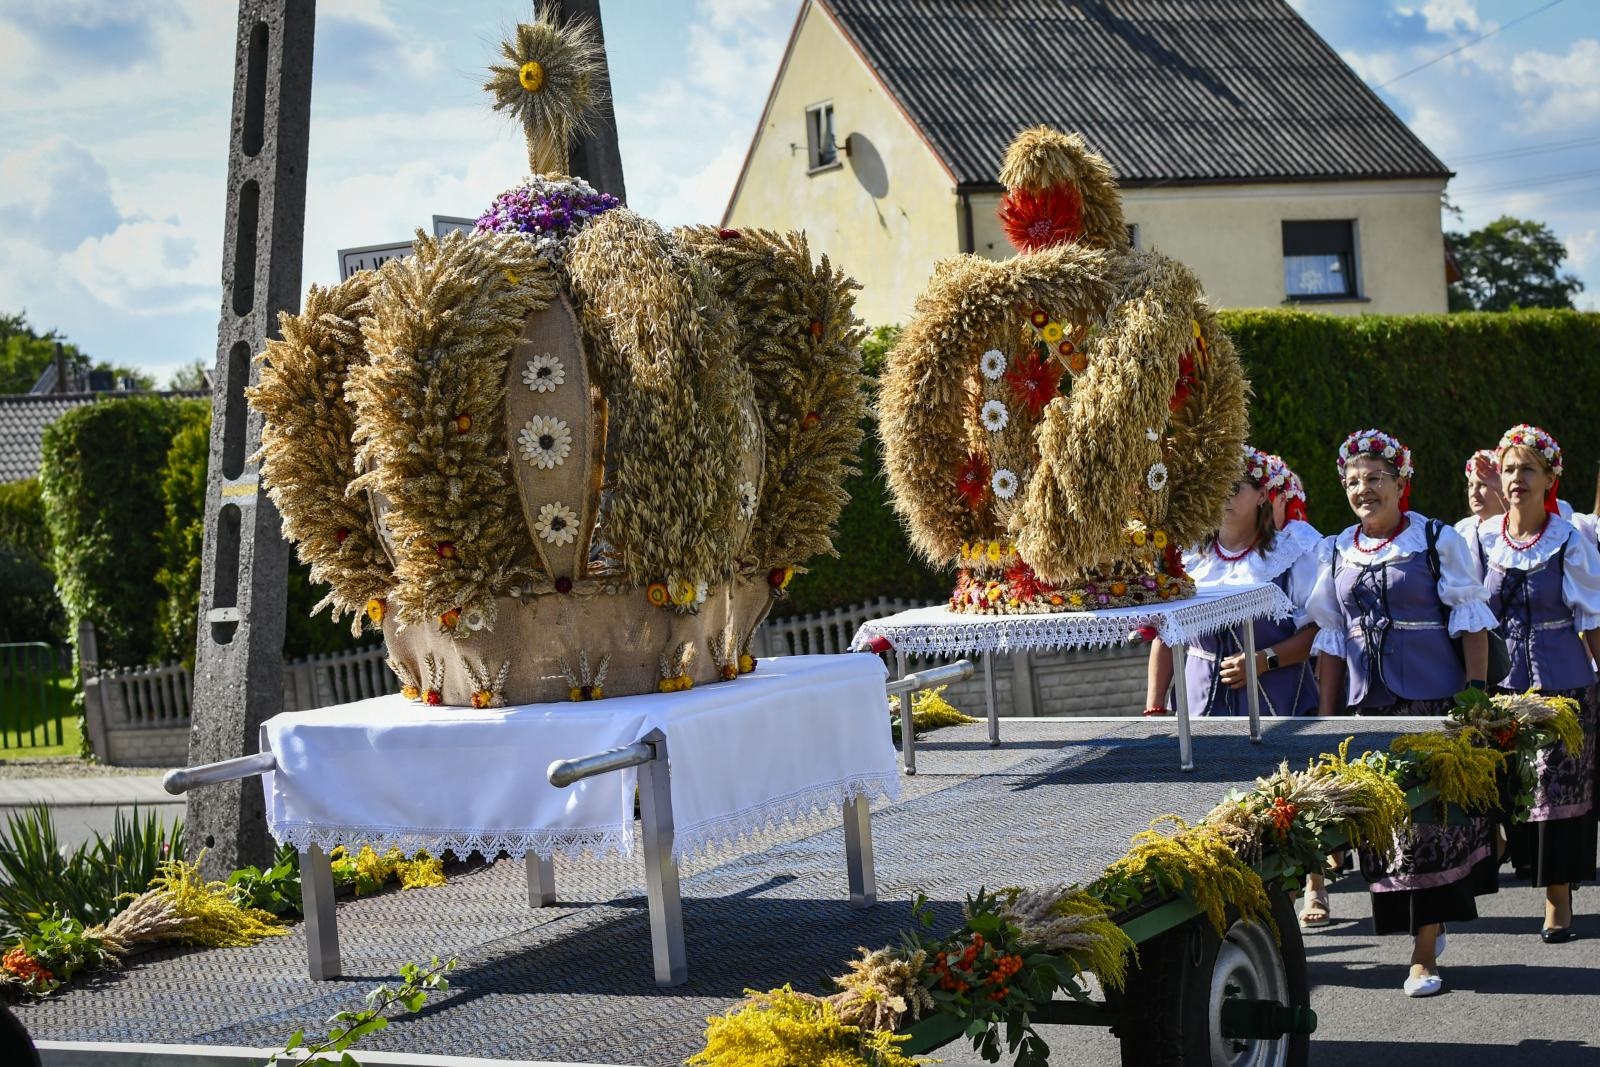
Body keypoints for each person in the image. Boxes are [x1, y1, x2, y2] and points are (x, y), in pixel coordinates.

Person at [1307, 428, 1498, 998]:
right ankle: (1424, 927)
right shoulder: (1335, 549)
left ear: (1400, 483)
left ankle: (1422, 956)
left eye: (1375, 479)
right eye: (1353, 482)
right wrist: (1327, 720)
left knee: (1428, 833)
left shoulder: (1436, 540)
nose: (1363, 490)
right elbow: (1333, 639)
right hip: (1370, 710)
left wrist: (1475, 699)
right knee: (1385, 833)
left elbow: (1470, 619)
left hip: (1434, 705)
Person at [1477, 424, 1600, 943]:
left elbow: (1590, 617)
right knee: (1509, 787)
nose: (1516, 478)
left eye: (1528, 468)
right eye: (1509, 469)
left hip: (1563, 685)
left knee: (1556, 793)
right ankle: (1518, 859)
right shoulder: (1481, 537)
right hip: (1504, 687)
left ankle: (1558, 898)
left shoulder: (1569, 539)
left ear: (1550, 477)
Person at [1144, 445, 1321, 720]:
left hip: (1277, 706)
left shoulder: (1291, 553)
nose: (1223, 496)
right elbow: (1167, 636)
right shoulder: (1188, 558)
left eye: (1235, 487)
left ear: (1262, 495)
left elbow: (1315, 633)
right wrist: (1154, 707)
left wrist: (1264, 660)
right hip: (1197, 706)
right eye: (1217, 488)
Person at [1456, 449, 1505, 544]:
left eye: (1482, 485)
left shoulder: (1520, 530)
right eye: (1470, 485)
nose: (1474, 493)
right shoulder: (1461, 531)